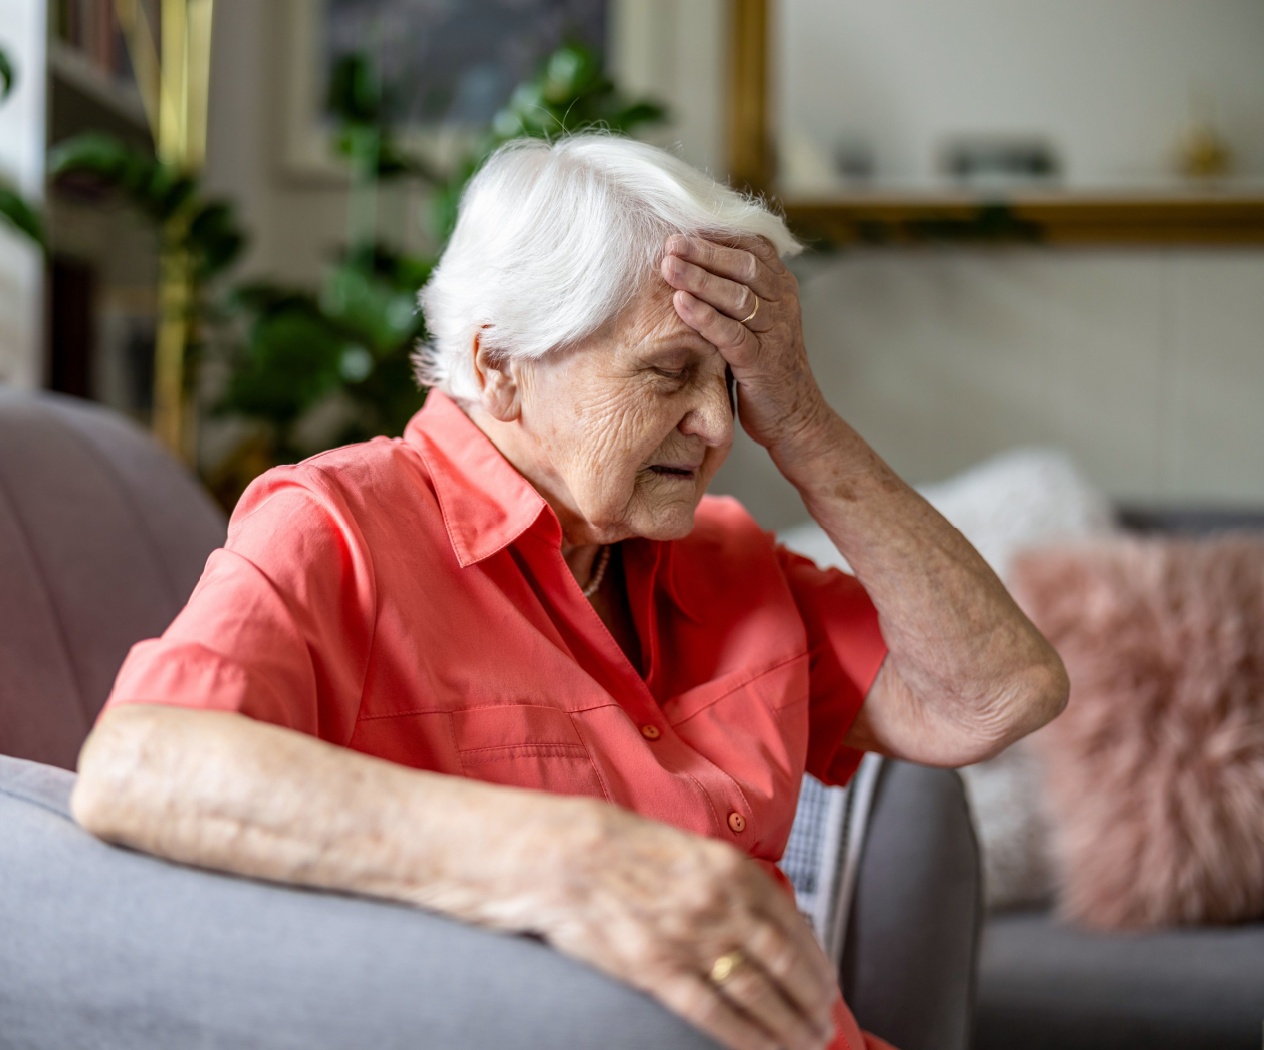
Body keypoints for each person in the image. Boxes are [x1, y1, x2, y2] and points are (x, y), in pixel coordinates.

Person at [70, 135, 1067, 1050]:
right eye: (670, 373)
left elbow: (996, 693)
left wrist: (800, 417)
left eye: (730, 382)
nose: (718, 427)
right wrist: (575, 857)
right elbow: (141, 764)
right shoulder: (338, 526)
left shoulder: (727, 558)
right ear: (498, 366)